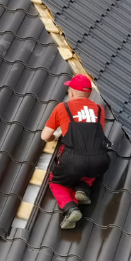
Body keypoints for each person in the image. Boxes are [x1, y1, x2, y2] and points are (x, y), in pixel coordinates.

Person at [41, 74, 111, 229]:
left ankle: (70, 207)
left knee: (56, 182)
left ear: (71, 92)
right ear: (90, 94)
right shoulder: (99, 110)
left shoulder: (62, 107)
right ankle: (83, 187)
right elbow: (96, 136)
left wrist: (56, 136)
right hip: (99, 159)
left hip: (72, 160)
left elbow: (45, 136)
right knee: (90, 171)